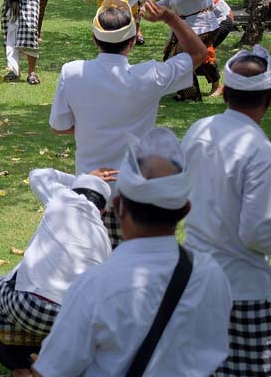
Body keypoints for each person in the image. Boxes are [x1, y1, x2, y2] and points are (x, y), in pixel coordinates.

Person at [32, 128, 232, 377]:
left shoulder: (94, 286)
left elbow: (52, 371)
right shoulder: (212, 276)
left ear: (118, 207)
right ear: (185, 209)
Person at [49, 0, 207, 247]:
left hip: (90, 194)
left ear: (94, 39)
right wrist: (170, 17)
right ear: (133, 41)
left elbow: (59, 127)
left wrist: (92, 126)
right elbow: (198, 53)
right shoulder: (150, 75)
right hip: (136, 198)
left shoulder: (72, 72)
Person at [183, 46, 271, 376]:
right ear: (268, 99)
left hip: (194, 279)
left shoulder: (198, 131)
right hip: (242, 289)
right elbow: (257, 232)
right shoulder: (261, 151)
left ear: (226, 94)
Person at [0, 168, 112, 377]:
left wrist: (81, 178)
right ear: (103, 211)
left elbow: (37, 175)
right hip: (73, 322)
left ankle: (20, 368)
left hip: (30, 307)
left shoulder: (63, 198)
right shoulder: (104, 239)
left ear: (73, 190)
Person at [156, 0, 221, 100]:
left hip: (205, 28)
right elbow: (166, 2)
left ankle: (190, 95)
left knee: (183, 57)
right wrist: (148, 5)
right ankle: (185, 91)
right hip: (187, 28)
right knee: (171, 56)